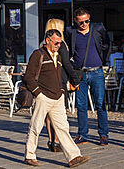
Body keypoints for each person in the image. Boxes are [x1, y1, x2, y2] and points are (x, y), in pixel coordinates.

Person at [22, 29, 88, 167]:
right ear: (48, 41)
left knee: (63, 127)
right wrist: (38, 93)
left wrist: (62, 91)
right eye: (56, 43)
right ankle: (29, 155)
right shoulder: (37, 54)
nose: (59, 45)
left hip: (57, 96)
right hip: (43, 96)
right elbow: (28, 76)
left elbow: (60, 77)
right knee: (36, 126)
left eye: (60, 43)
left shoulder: (58, 56)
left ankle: (74, 156)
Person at [65, 8, 109, 145]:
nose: (84, 24)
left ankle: (103, 134)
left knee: (100, 104)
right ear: (75, 21)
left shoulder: (98, 29)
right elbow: (68, 50)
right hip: (80, 73)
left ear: (90, 18)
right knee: (81, 105)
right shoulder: (70, 32)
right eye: (81, 22)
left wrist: (104, 61)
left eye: (87, 21)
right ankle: (82, 134)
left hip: (97, 72)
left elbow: (107, 44)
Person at [45, 18, 81, 153]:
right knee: (59, 113)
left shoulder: (44, 44)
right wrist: (75, 77)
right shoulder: (61, 45)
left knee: (48, 114)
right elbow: (66, 63)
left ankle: (50, 139)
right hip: (59, 81)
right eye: (62, 27)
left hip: (46, 82)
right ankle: (57, 141)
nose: (64, 30)